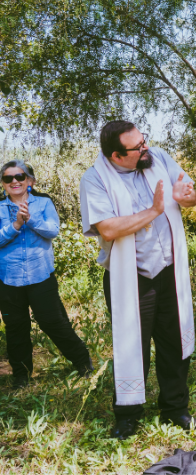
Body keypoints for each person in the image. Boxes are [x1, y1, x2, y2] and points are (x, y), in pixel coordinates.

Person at [79, 121, 196, 439]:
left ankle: (175, 409)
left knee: (174, 343)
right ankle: (128, 416)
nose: (145, 148)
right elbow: (107, 228)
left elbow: (188, 197)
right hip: (130, 278)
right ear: (116, 156)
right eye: (137, 147)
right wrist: (154, 210)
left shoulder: (159, 158)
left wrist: (186, 197)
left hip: (169, 269)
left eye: (144, 141)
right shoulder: (95, 179)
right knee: (131, 346)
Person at [0, 160, 93, 390]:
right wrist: (16, 224)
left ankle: (83, 362)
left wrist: (31, 219)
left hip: (40, 275)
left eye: (19, 176)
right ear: (2, 184)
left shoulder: (43, 203)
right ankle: (21, 376)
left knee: (53, 322)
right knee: (16, 327)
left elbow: (53, 230)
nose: (14, 181)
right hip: (8, 278)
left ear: (29, 181)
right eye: (8, 178)